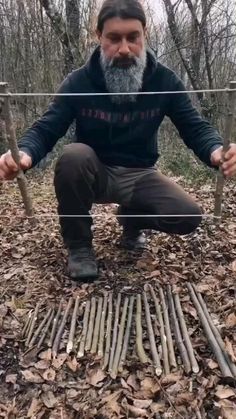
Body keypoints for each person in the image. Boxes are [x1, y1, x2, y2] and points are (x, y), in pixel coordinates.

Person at [0, 0, 235, 281]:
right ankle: (79, 248)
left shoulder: (164, 81)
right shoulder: (78, 83)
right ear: (99, 37)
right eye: (113, 38)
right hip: (92, 171)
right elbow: (46, 128)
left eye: (132, 38)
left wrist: (216, 151)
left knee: (187, 216)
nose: (124, 49)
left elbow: (195, 127)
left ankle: (131, 218)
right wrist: (24, 153)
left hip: (139, 175)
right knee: (73, 155)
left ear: (144, 34)